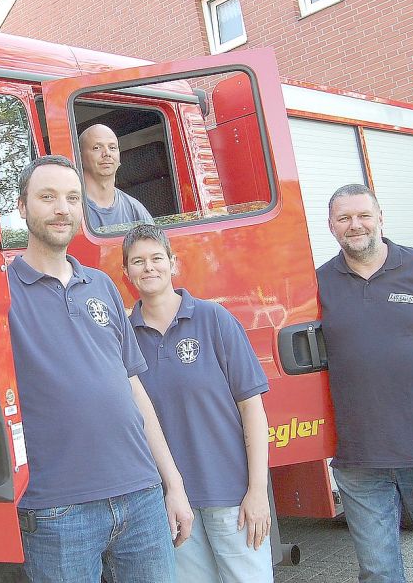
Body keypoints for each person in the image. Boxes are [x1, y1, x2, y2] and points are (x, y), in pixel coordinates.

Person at [7, 154, 193, 582]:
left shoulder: (103, 285)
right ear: (21, 206)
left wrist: (174, 485)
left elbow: (135, 392)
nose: (62, 209)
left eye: (73, 198)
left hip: (140, 495)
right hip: (57, 509)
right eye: (47, 196)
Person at [317, 183, 413, 583]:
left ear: (380, 217)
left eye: (363, 215)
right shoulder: (318, 284)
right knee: (378, 571)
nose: (356, 225)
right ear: (331, 226)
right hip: (359, 456)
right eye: (344, 218)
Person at [123, 223, 273, 582]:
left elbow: (252, 409)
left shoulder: (214, 320)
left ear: (173, 263)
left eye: (157, 258)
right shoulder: (124, 335)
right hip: (172, 502)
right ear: (126, 272)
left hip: (232, 495)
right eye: (138, 261)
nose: (149, 268)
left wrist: (257, 491)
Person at [79, 124, 153, 230]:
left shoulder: (135, 210)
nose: (107, 153)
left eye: (112, 148)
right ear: (80, 157)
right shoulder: (71, 207)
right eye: (97, 148)